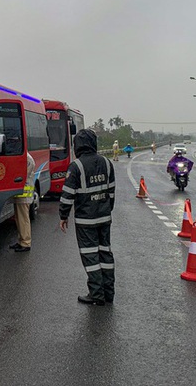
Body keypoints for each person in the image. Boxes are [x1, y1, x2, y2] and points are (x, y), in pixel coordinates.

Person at [59, 129, 115, 306]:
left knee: (90, 256)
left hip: (86, 221)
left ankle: (96, 295)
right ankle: (108, 293)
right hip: (104, 218)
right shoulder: (107, 163)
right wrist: (106, 209)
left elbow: (67, 195)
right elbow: (111, 192)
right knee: (105, 253)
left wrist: (63, 215)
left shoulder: (76, 166)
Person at [10, 152, 35, 252]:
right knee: (18, 219)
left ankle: (26, 243)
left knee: (23, 219)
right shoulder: (24, 157)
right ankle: (21, 241)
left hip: (24, 194)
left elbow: (23, 174)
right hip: (20, 194)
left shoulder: (28, 159)